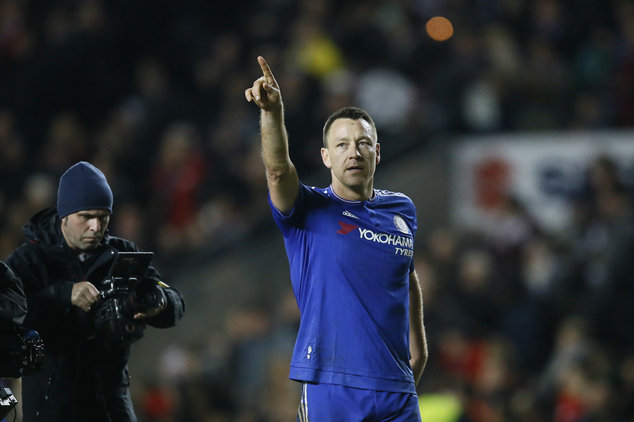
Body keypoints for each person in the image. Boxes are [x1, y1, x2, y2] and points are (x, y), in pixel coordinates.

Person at [245, 56, 428, 421]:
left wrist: (419, 347)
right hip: (333, 387)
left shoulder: (401, 210)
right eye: (342, 145)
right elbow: (279, 172)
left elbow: (405, 274)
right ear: (326, 157)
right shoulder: (307, 209)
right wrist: (272, 113)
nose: (354, 152)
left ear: (377, 152)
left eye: (363, 143)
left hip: (398, 392)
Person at [6, 161, 186, 422]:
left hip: (111, 399)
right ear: (64, 216)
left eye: (103, 217)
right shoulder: (29, 261)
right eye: (86, 217)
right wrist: (63, 295)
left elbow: (173, 301)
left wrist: (160, 305)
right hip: (52, 404)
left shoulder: (123, 253)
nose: (95, 226)